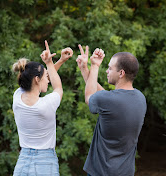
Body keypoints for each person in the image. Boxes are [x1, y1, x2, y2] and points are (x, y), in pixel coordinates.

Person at [76, 45, 147, 176]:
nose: (107, 71)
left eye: (110, 68)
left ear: (121, 73)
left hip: (101, 172)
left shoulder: (108, 100)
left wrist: (95, 66)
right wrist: (84, 69)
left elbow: (91, 97)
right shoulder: (140, 98)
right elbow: (103, 99)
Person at [12, 40, 73, 176]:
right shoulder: (45, 105)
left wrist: (60, 61)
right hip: (45, 163)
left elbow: (46, 78)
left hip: (23, 161)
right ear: (36, 80)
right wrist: (49, 63)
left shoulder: (17, 98)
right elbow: (58, 87)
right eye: (45, 77)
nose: (48, 79)